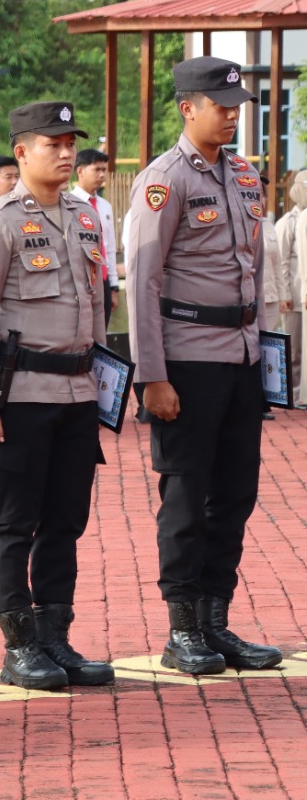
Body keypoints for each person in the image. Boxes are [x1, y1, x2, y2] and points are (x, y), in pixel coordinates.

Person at [126, 55, 281, 675]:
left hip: (241, 356)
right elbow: (142, 280)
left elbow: (256, 268)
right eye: (222, 105)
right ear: (188, 108)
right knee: (187, 497)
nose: (233, 114)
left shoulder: (244, 175)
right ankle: (181, 627)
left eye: (238, 104)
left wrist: (266, 353)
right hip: (187, 358)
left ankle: (216, 622)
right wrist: (151, 375)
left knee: (235, 495)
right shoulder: (164, 180)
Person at [0, 102, 113, 691]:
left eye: (71, 141)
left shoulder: (84, 215)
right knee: (14, 521)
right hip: (21, 393)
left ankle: (55, 636)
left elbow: (97, 304)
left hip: (78, 391)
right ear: (22, 152)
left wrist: (106, 381)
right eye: (53, 143)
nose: (67, 151)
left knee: (65, 522)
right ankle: (20, 645)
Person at [69, 149, 121, 327]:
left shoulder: (105, 206)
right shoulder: (68, 203)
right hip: (81, 281)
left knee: (101, 333)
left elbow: (110, 247)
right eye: (96, 170)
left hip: (103, 280)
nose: (102, 175)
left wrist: (113, 286)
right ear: (80, 171)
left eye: (104, 170)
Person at [282, 174, 306, 404]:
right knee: (294, 350)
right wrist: (285, 294)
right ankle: (294, 393)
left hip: (304, 296)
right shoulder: (288, 221)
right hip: (294, 296)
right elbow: (282, 262)